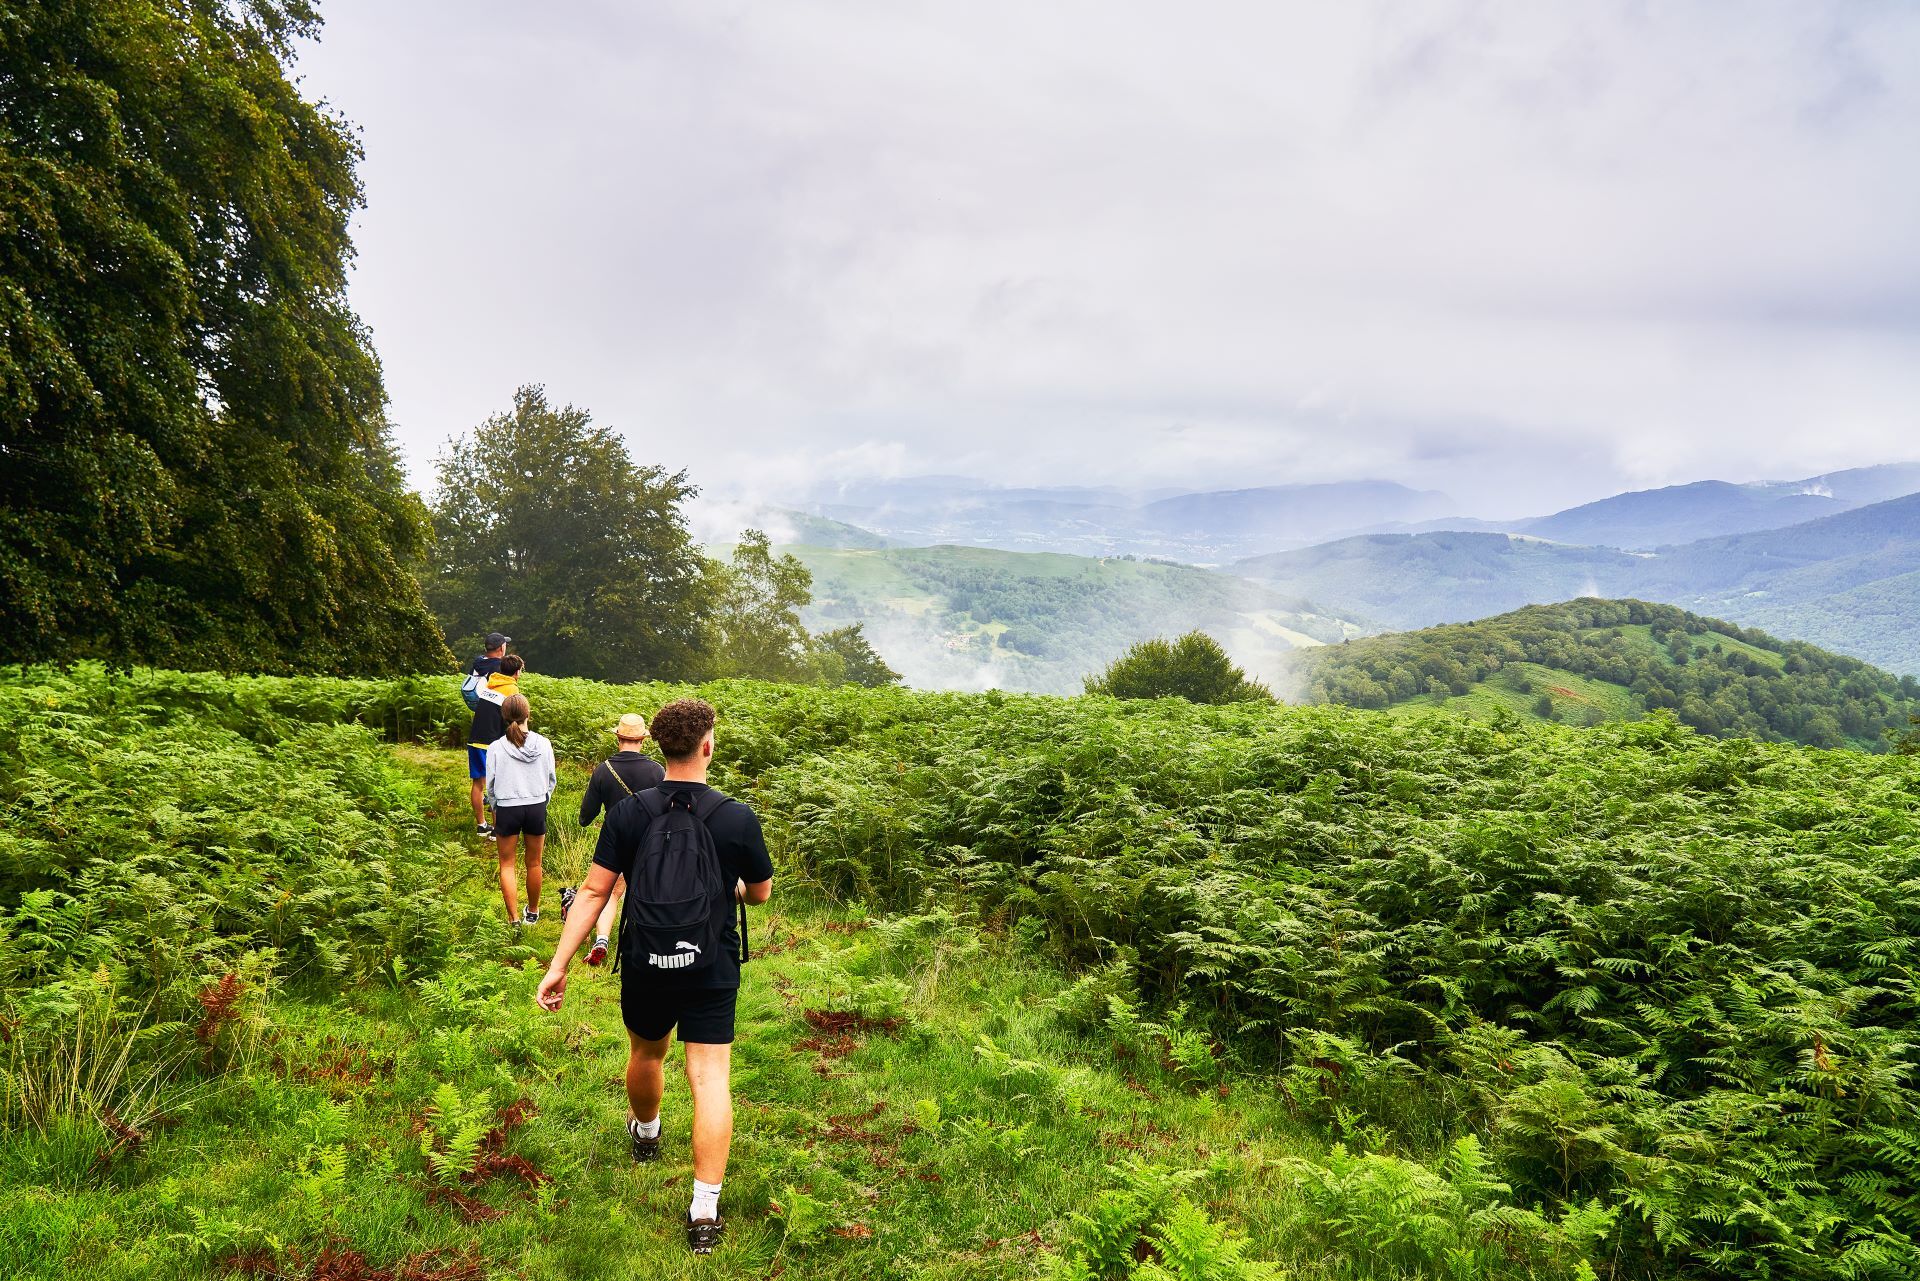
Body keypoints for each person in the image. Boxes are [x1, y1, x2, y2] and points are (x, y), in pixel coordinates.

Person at [537, 698, 772, 1256]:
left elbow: (594, 892)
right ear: (707, 746)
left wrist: (558, 966)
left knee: (647, 1052)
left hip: (646, 960)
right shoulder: (736, 817)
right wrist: (730, 887)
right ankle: (704, 1210)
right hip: (711, 964)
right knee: (709, 1077)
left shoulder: (628, 813)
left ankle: (645, 1134)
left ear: (661, 747)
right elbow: (759, 893)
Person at [559, 713, 665, 966]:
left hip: (615, 841)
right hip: (649, 843)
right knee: (649, 891)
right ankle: (652, 941)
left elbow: (586, 816)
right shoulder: (657, 770)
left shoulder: (603, 770)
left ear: (618, 738)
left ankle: (602, 939)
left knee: (608, 893)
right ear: (642, 740)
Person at [485, 692, 555, 926]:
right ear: (528, 714)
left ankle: (514, 918)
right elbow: (551, 779)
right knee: (534, 863)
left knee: (507, 864)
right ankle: (532, 912)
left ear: (503, 716)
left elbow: (490, 785)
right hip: (536, 806)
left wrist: (495, 808)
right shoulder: (544, 744)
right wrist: (542, 801)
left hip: (507, 808)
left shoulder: (496, 747)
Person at [465, 632, 511, 835]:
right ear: (501, 648)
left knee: (478, 783)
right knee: (496, 784)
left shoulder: (478, 663)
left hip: (477, 729)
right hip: (493, 733)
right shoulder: (500, 669)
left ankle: (481, 825)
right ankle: (497, 830)